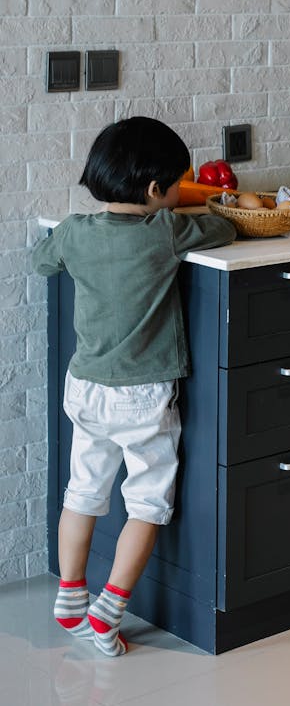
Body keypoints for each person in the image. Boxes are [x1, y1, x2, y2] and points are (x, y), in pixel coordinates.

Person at [32, 116, 236, 656]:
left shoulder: (74, 231)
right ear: (154, 190)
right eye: (174, 182)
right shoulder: (165, 231)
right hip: (143, 396)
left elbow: (41, 260)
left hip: (87, 388)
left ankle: (71, 592)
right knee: (146, 501)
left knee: (84, 491)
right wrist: (207, 203)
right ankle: (110, 609)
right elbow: (225, 227)